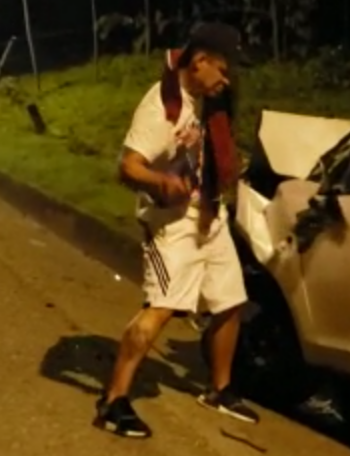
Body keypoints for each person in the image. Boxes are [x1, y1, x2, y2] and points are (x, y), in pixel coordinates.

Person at [93, 22, 259, 438]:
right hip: (170, 224)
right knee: (162, 307)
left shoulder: (204, 99)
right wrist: (161, 181)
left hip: (207, 213)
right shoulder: (160, 107)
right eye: (223, 70)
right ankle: (113, 400)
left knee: (230, 301)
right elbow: (128, 167)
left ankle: (220, 390)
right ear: (199, 61)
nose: (227, 80)